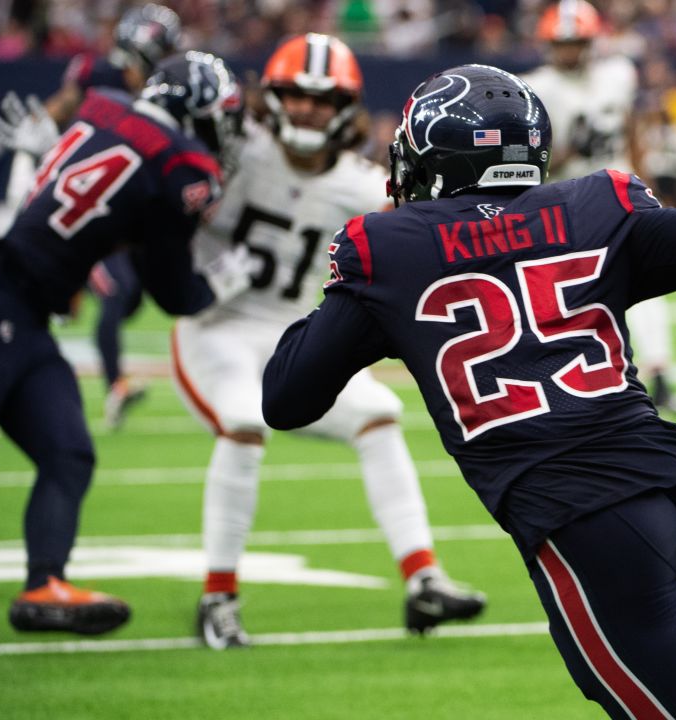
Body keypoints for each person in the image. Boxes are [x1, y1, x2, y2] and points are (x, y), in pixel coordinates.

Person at [262, 64, 676, 720]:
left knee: (646, 639)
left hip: (584, 519)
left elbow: (286, 399)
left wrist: (353, 298)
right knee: (660, 631)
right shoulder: (594, 207)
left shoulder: (389, 250)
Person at [171, 34, 486, 650]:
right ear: (272, 97)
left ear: (347, 106)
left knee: (379, 413)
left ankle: (424, 578)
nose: (309, 108)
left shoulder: (364, 185)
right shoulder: (236, 153)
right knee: (243, 421)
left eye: (324, 98)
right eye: (296, 94)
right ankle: (218, 597)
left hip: (293, 332)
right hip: (218, 331)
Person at [0, 52, 252, 635]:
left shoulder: (103, 104)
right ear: (198, 114)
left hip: (31, 315)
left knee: (68, 451)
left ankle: (44, 585)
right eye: (221, 119)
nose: (225, 135)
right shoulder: (182, 164)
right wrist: (228, 276)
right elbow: (175, 292)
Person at [0, 3, 184, 428]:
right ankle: (113, 384)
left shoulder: (164, 92)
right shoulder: (95, 75)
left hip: (129, 211)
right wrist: (35, 139)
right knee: (115, 291)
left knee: (131, 295)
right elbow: (58, 109)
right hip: (87, 207)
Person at [521, 0, 676, 413]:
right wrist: (571, 151)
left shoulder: (618, 74)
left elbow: (631, 128)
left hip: (619, 194)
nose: (569, 51)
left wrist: (643, 178)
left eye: (576, 42)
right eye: (563, 43)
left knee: (649, 284)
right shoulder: (536, 86)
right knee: (566, 294)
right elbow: (531, 159)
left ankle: (659, 374)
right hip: (568, 202)